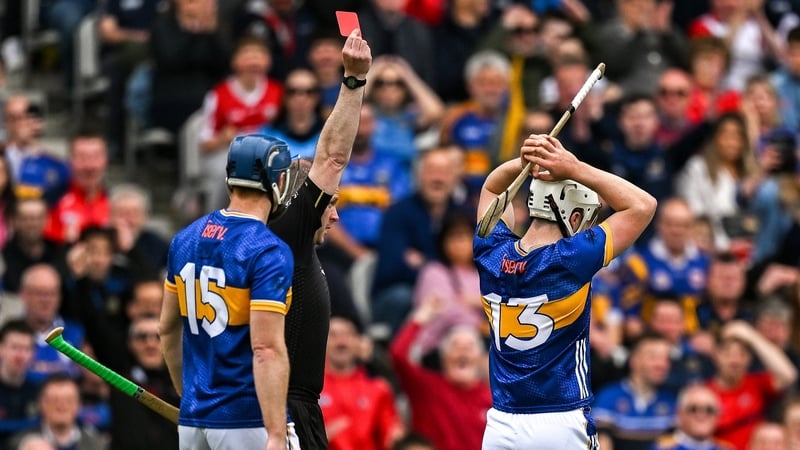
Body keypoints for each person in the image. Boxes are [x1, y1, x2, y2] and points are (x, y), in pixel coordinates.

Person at [474, 134, 657, 449]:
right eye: (587, 219)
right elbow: (643, 205)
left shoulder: (490, 250)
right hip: (561, 419)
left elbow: (492, 187)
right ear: (574, 216)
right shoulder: (572, 258)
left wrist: (525, 162)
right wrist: (575, 167)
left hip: (501, 424)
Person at [267, 29, 372, 450]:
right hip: (286, 413)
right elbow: (331, 155)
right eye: (329, 203)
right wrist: (352, 82)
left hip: (287, 408)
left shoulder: (275, 244)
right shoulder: (287, 237)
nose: (335, 213)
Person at [160, 134, 296, 450]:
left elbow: (167, 330)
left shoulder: (185, 239)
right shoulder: (267, 250)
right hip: (248, 418)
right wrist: (276, 433)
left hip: (194, 421)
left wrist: (189, 398)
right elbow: (266, 349)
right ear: (277, 181)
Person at [389, 296, 492, 450]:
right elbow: (398, 355)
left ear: (479, 358)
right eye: (456, 346)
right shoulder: (426, 388)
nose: (462, 351)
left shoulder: (492, 400)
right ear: (443, 357)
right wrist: (421, 318)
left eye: (469, 347)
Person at [320, 315, 404, 450]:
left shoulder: (378, 388)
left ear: (359, 343)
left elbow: (392, 436)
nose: (341, 342)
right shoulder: (311, 389)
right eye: (333, 335)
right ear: (322, 342)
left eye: (347, 335)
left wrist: (396, 438)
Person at [593, 332, 677, 450]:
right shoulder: (608, 396)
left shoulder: (671, 401)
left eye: (666, 359)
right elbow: (602, 443)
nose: (662, 364)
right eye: (653, 357)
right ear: (634, 361)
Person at [651, 384, 734, 450]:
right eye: (693, 409)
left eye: (709, 410)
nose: (702, 415)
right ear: (679, 414)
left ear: (718, 416)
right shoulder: (663, 448)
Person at [0, 320, 39, 449]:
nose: (20, 356)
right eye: (15, 347)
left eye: (26, 349)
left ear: (33, 353)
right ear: (1, 348)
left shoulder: (38, 392)